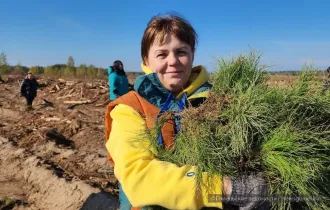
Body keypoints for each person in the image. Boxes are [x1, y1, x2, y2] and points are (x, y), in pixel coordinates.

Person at [104, 14, 269, 210]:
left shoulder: (218, 100)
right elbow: (139, 176)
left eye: (181, 52)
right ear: (146, 60)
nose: (173, 61)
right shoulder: (129, 109)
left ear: (192, 55)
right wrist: (226, 187)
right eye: (162, 54)